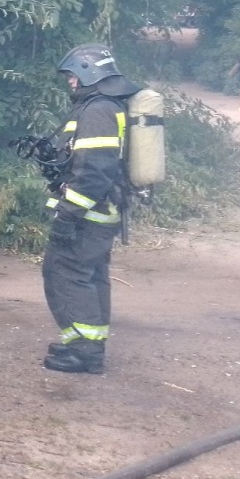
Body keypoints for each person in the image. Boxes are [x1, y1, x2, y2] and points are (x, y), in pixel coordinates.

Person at [41, 44, 141, 374]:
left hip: (88, 215)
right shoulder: (105, 106)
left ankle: (84, 350)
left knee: (66, 274)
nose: (70, 81)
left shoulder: (98, 111)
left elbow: (94, 171)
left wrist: (68, 216)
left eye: (73, 75)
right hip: (101, 212)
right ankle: (89, 345)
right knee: (90, 276)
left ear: (90, 73)